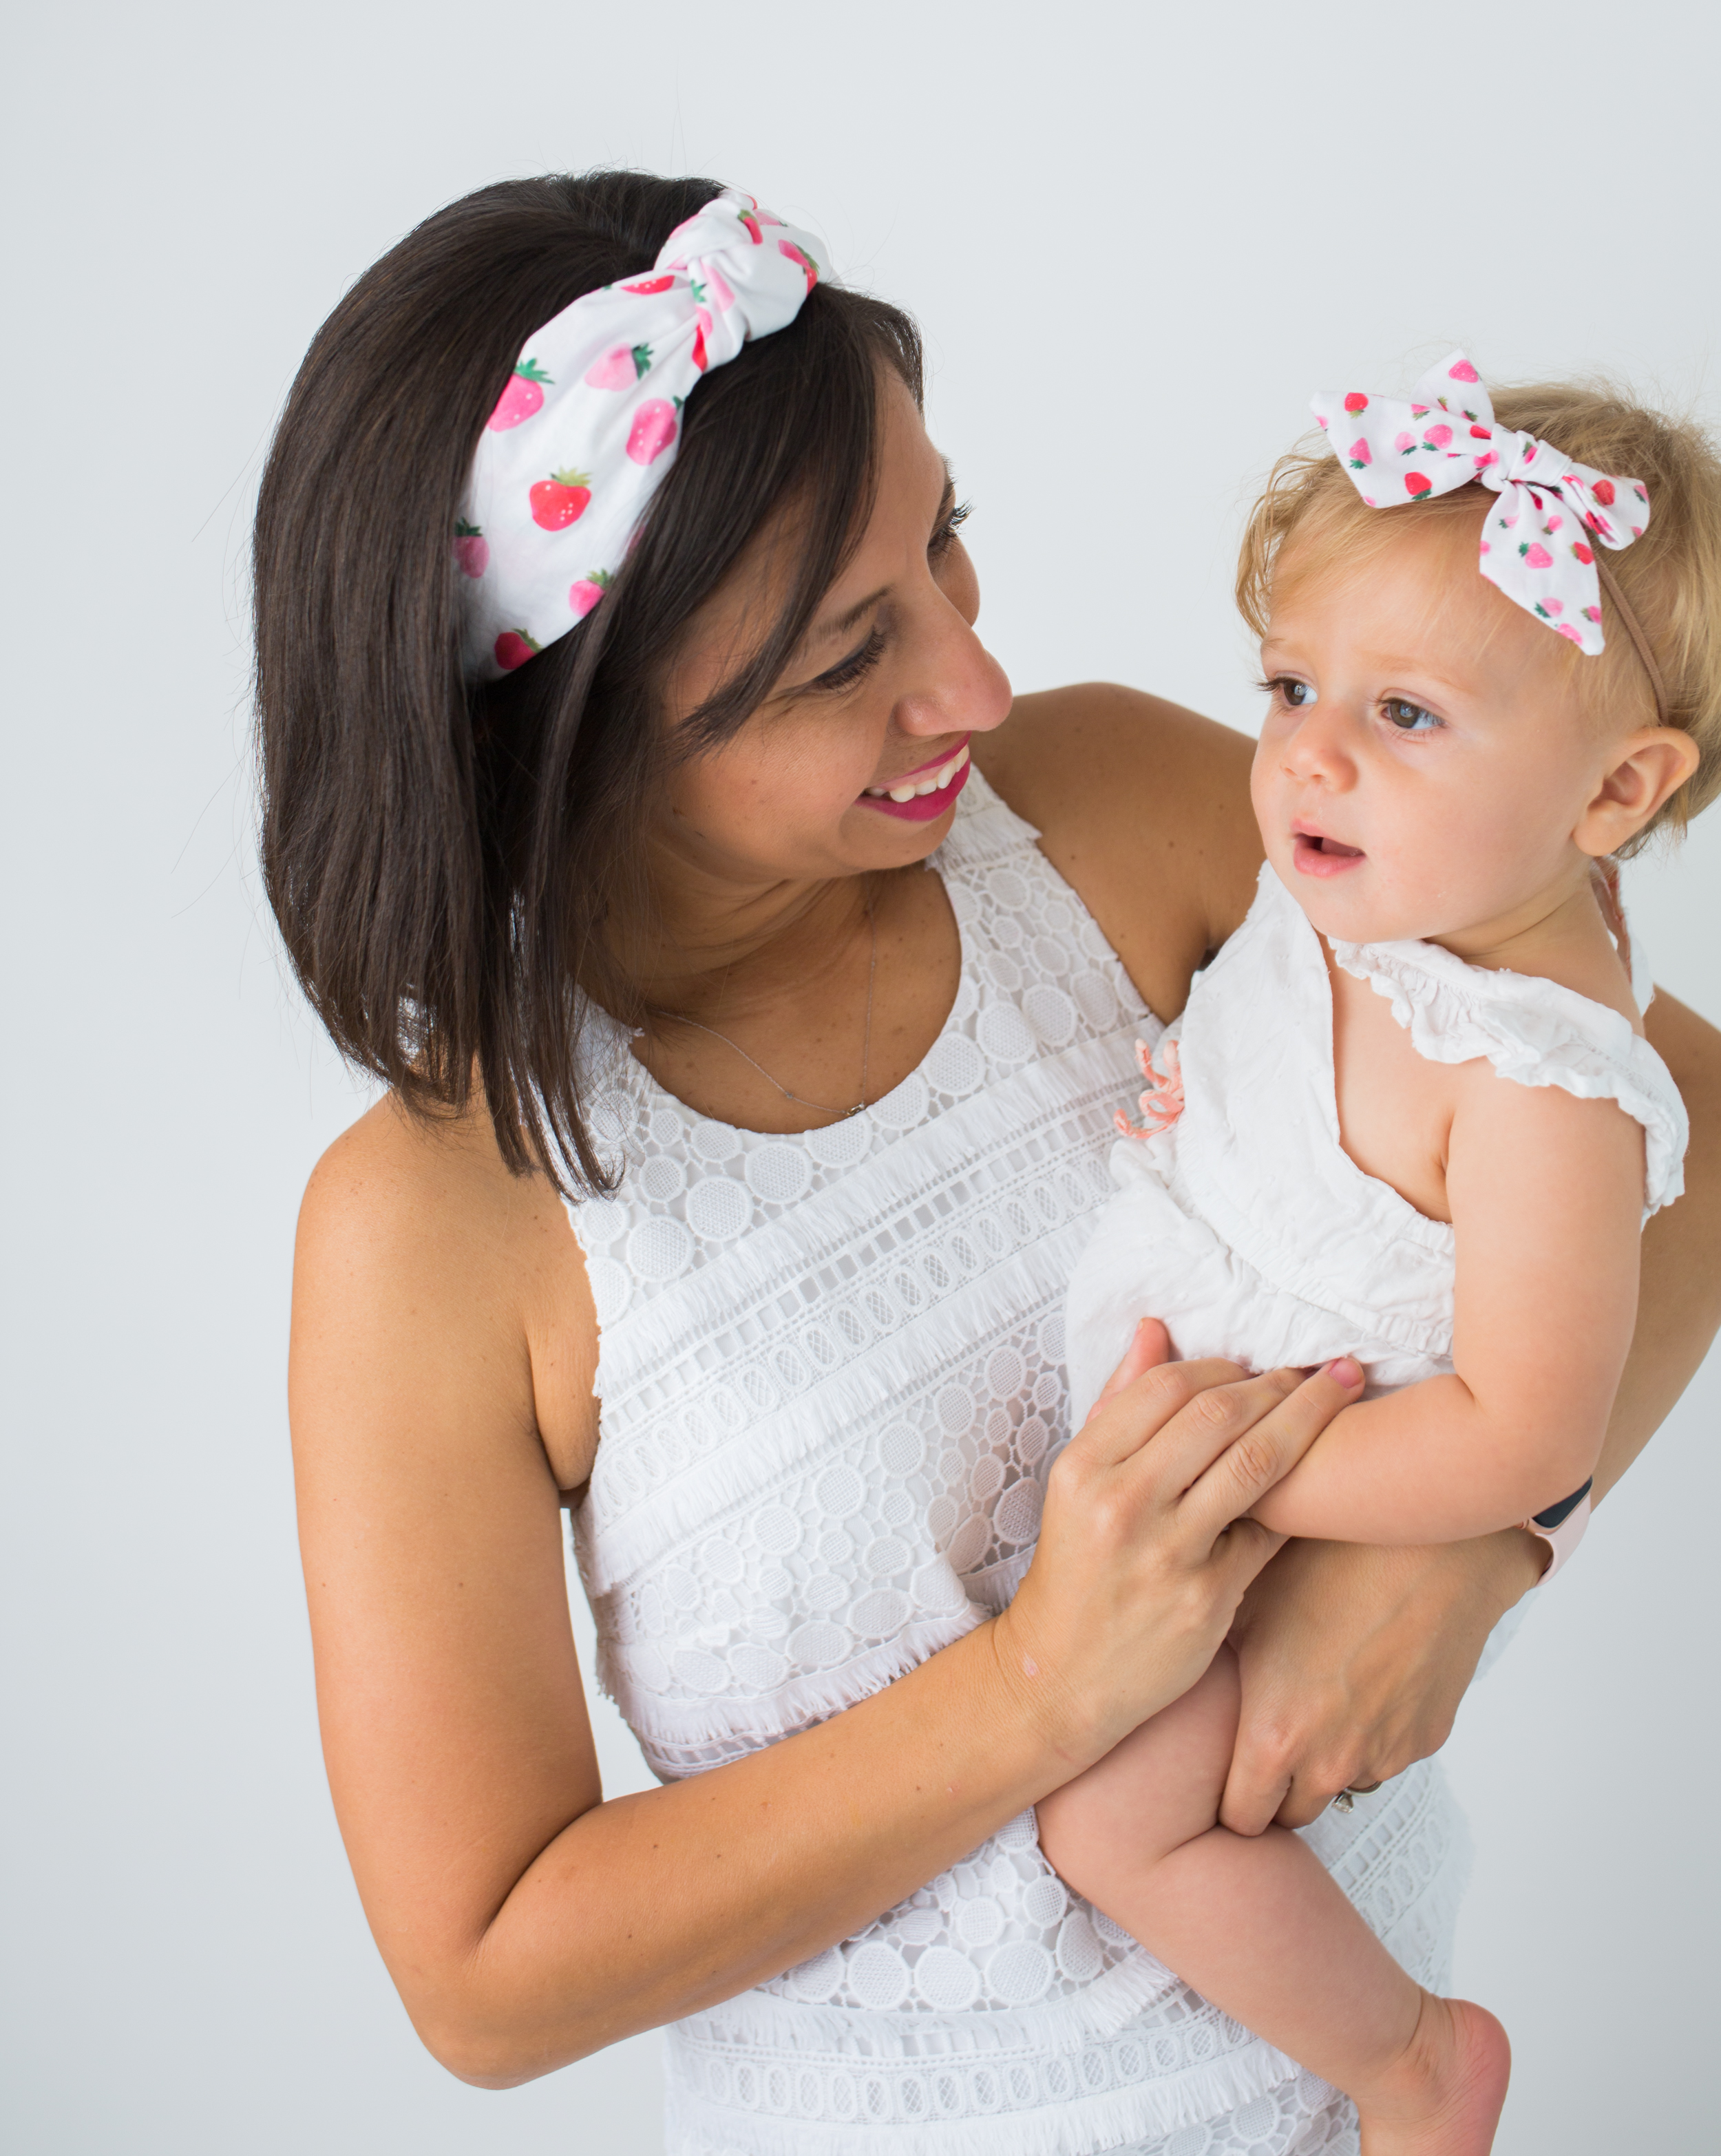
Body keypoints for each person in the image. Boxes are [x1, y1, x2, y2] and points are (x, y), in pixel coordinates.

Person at [257, 174, 1721, 2156]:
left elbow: (1668, 1121)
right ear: (575, 739)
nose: (971, 682)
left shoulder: (1111, 809)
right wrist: (1045, 1688)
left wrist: (1473, 1548)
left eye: (945, 539)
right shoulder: (432, 1233)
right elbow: (489, 1977)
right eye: (844, 652)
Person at [1044, 356, 1721, 2152]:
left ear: (1610, 799)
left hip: (1296, 1492)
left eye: (1404, 715)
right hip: (1187, 1394)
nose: (1309, 754)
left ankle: (1408, 2059)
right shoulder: (1383, 876)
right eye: (1287, 685)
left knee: (1111, 1820)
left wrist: (1260, 1481)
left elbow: (1523, 1435)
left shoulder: (1539, 1085)